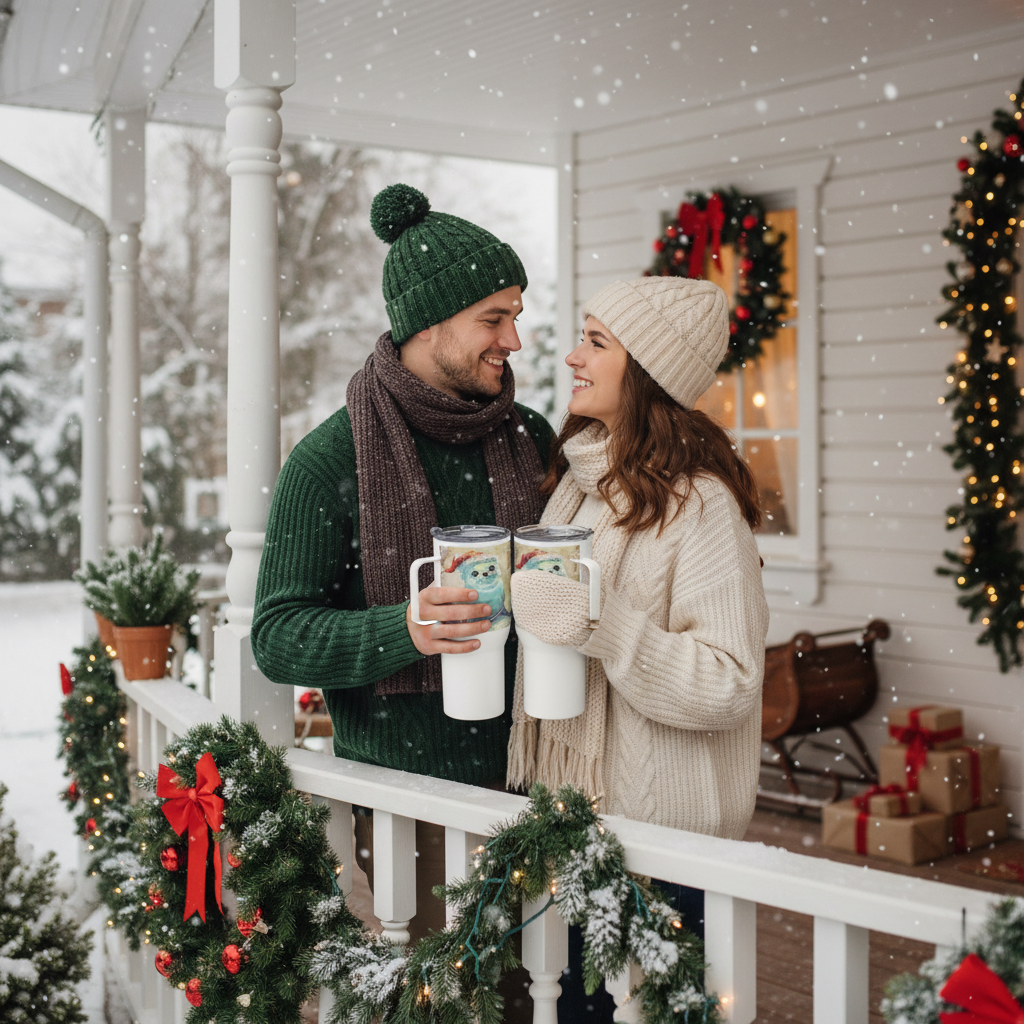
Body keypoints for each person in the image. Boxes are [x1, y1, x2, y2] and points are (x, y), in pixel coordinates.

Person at [250, 184, 554, 977]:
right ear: (429, 323)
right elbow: (279, 637)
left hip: (546, 778)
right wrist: (405, 629)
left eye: (517, 315)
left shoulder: (531, 438)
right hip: (411, 806)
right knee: (445, 998)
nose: (514, 340)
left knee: (546, 994)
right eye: (494, 318)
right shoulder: (329, 460)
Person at [506, 276, 769, 1021]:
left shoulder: (702, 506)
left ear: (646, 369)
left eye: (596, 341)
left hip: (663, 855)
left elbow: (731, 683)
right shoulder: (580, 485)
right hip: (575, 834)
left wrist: (600, 621)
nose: (571, 357)